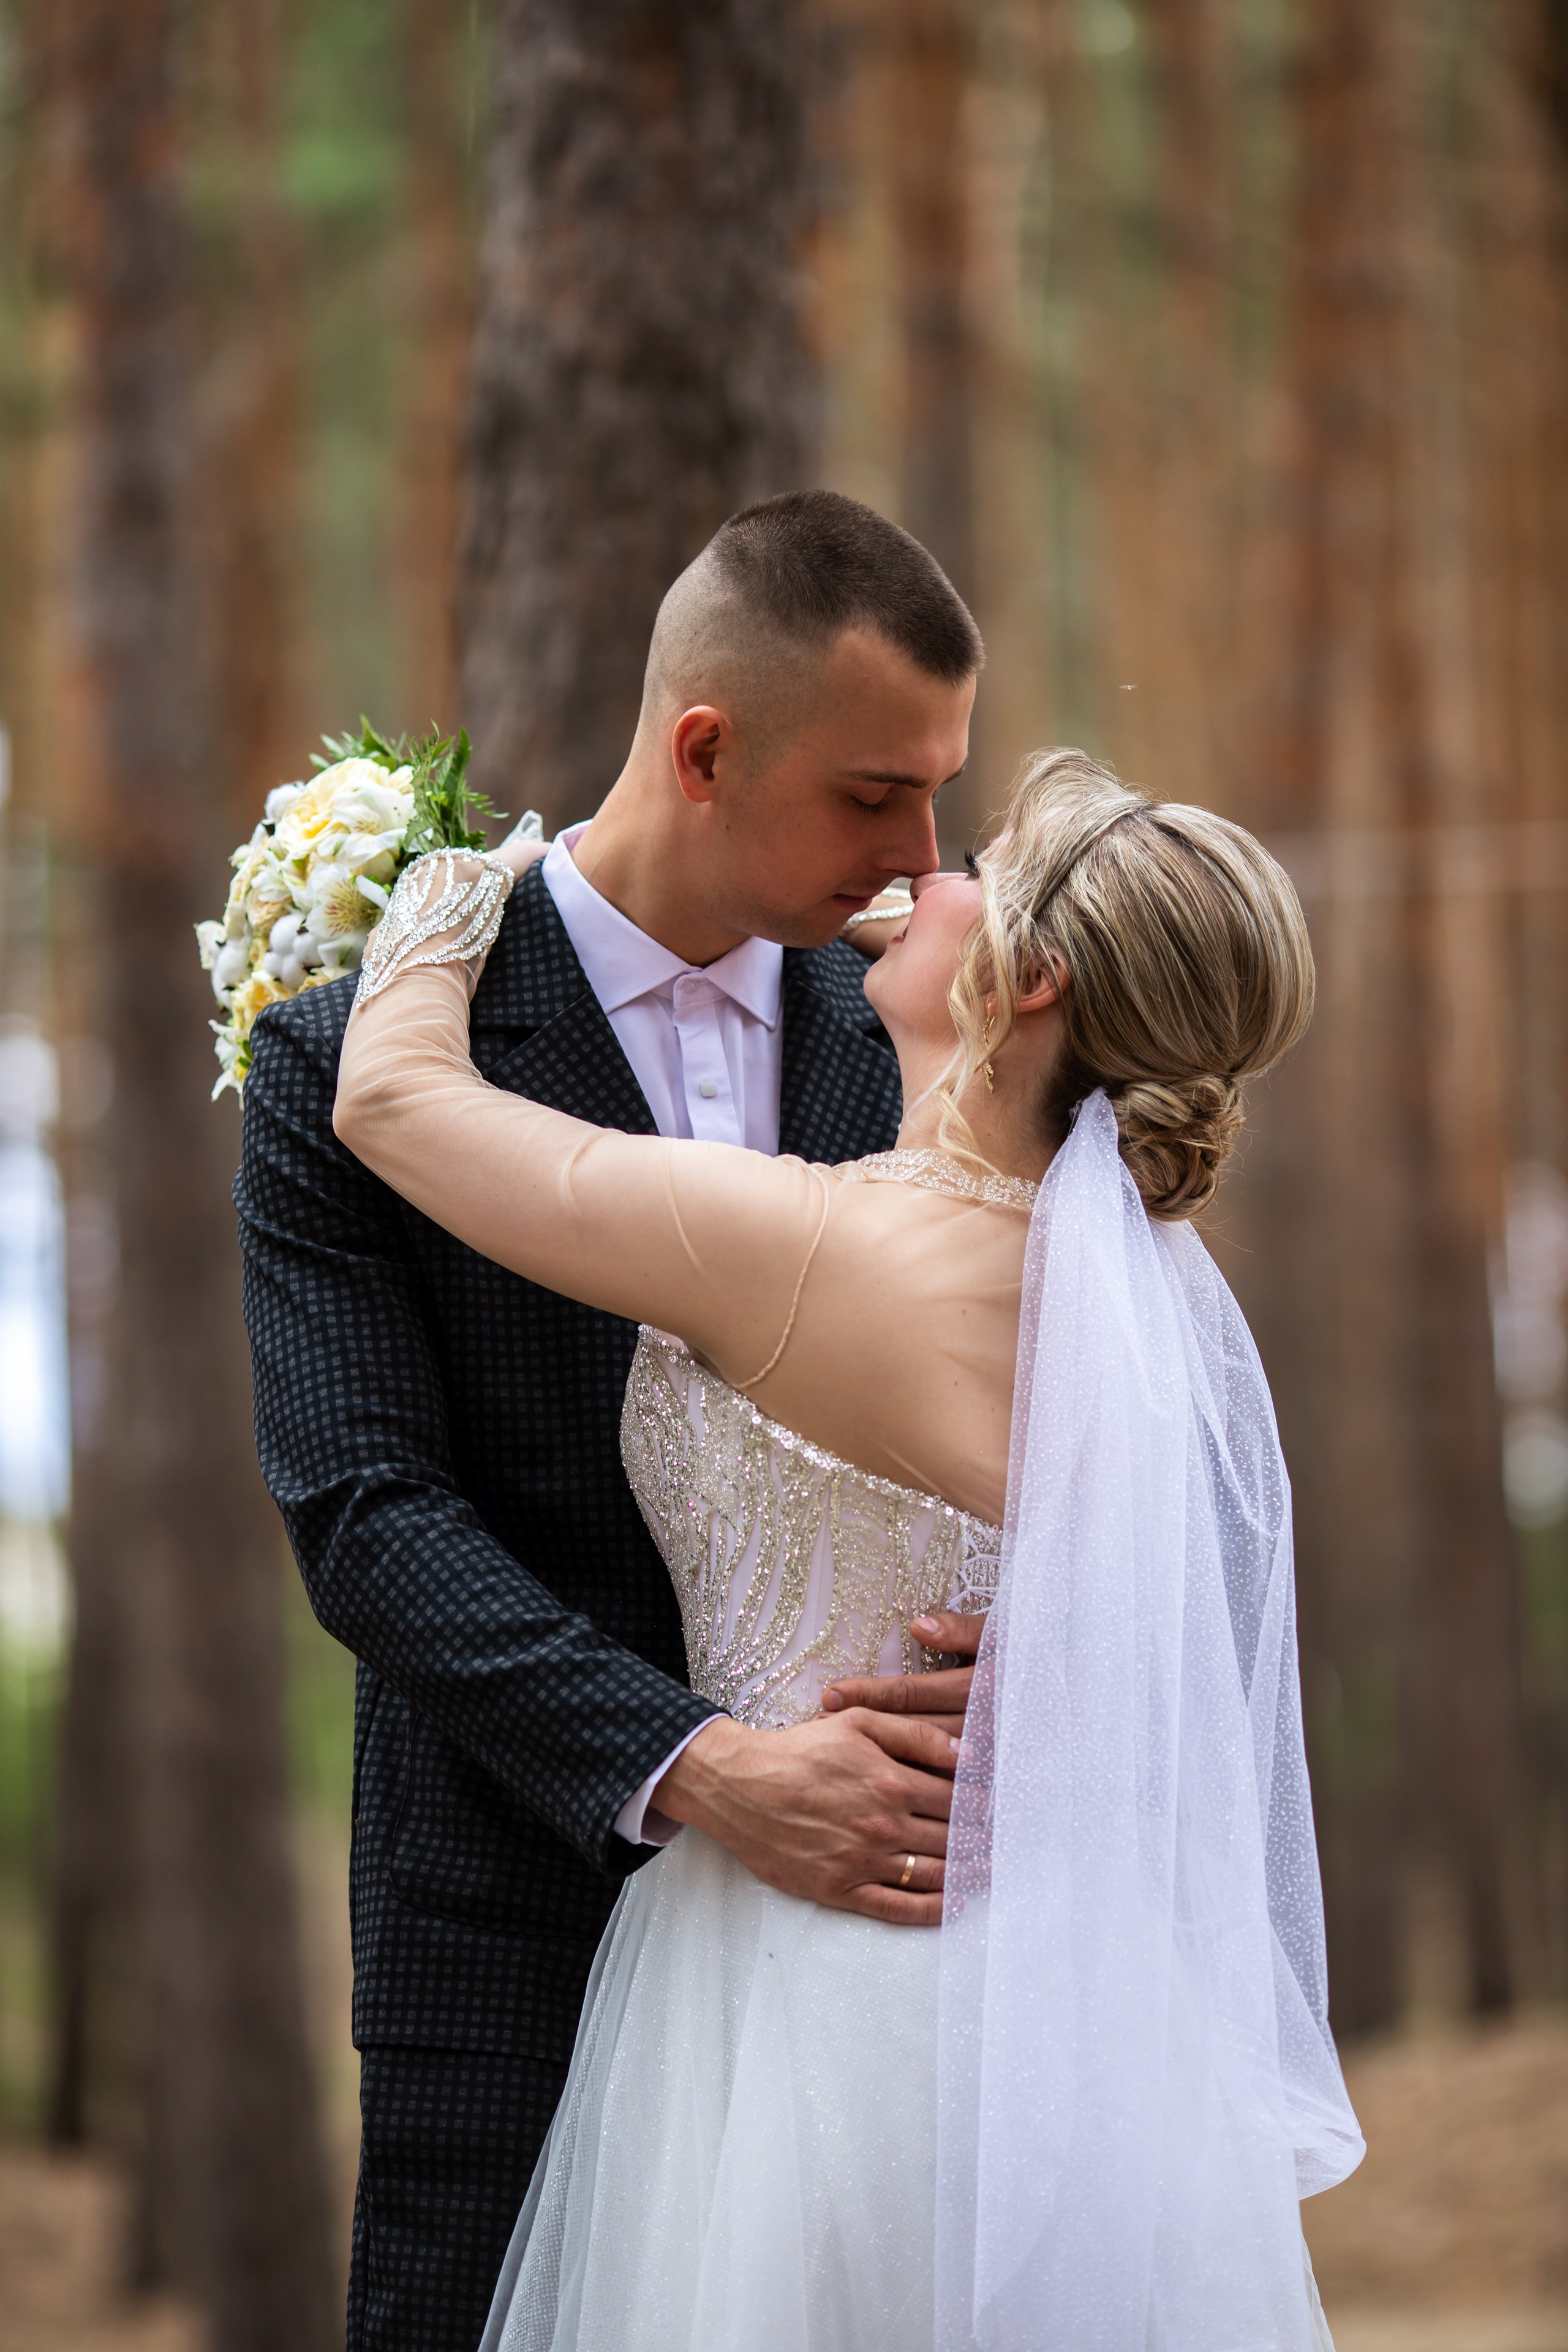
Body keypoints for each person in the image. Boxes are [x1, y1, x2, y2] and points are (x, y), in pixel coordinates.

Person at [333, 749, 1365, 2351]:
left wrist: (455, 884)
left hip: (819, 1989)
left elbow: (390, 1101)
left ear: (1035, 980)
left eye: (980, 870)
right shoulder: (1145, 1293)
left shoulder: (811, 1248)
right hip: (1077, 2019)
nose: (927, 870)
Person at [235, 491, 993, 2352]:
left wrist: (1018, 1663)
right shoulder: (353, 1057)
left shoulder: (930, 1033)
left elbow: (1046, 1413)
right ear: (707, 748)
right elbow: (363, 1510)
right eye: (877, 794)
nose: (925, 850)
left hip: (881, 1976)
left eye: (939, 790)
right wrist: (702, 1769)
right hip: (510, 1928)